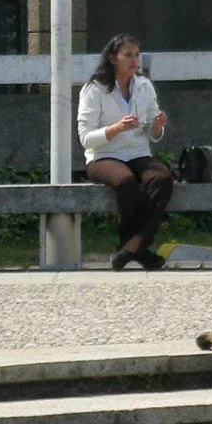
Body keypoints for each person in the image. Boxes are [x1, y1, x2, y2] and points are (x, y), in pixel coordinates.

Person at [77, 33, 173, 271]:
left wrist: (158, 126)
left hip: (138, 153)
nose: (134, 61)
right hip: (103, 155)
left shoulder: (144, 85)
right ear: (112, 58)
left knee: (162, 178)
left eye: (137, 55)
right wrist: (116, 128)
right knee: (125, 181)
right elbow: (86, 138)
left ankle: (131, 248)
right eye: (127, 55)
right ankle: (135, 248)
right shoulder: (94, 89)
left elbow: (152, 133)